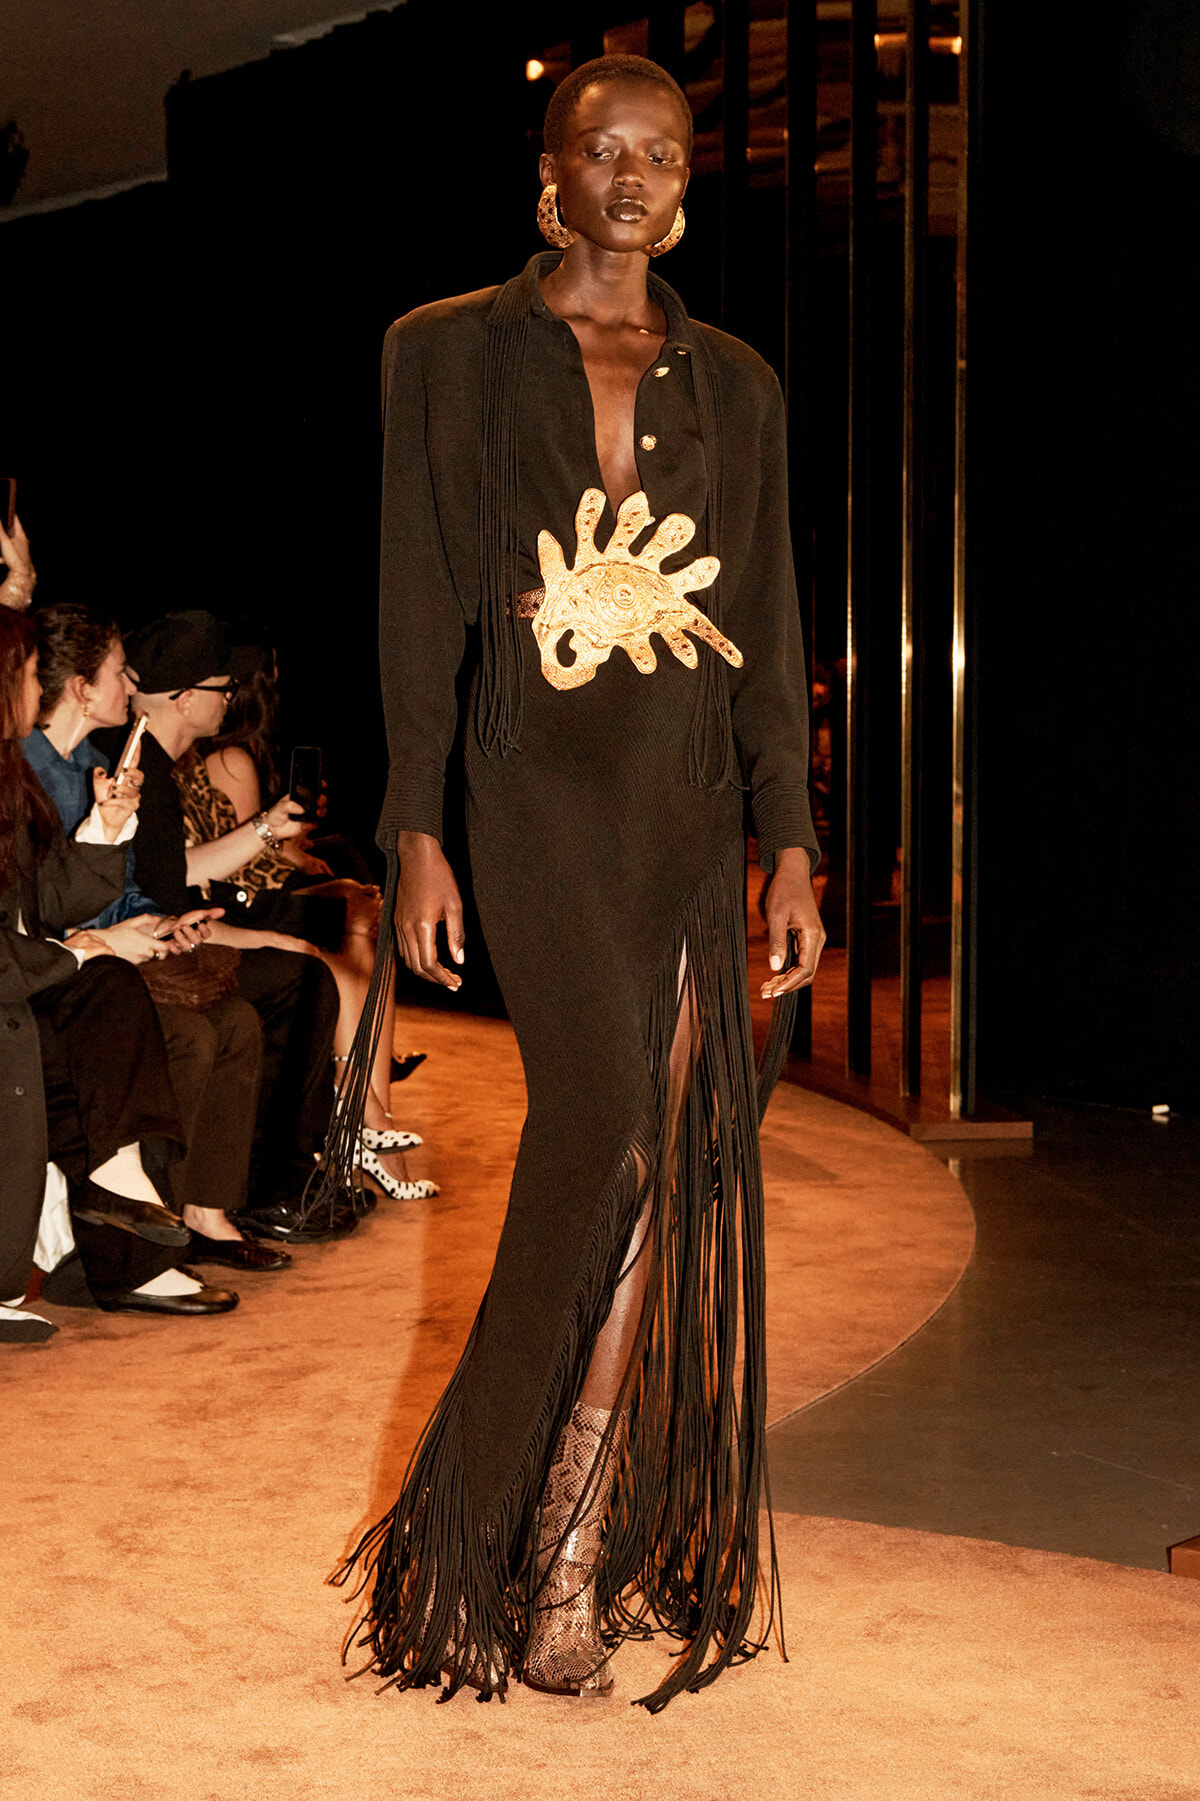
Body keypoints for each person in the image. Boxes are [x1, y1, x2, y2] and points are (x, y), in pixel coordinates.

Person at [336, 56, 825, 1711]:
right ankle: (462, 1532)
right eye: (600, 148)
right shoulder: (447, 356)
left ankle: (565, 1545)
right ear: (549, 168)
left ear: (689, 177)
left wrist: (795, 837)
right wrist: (415, 819)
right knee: (601, 1119)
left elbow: (764, 632)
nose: (630, 175)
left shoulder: (736, 386)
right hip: (534, 800)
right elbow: (423, 606)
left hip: (685, 814)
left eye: (660, 152)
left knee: (656, 1171)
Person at [26, 602, 288, 1275]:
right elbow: (44, 909)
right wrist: (116, 936)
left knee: (234, 1021)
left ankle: (200, 1213)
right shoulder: (32, 772)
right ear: (84, 687)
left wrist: (157, 923)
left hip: (92, 964)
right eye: (121, 672)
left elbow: (121, 886)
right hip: (60, 977)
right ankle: (143, 1243)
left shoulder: (94, 763)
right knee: (192, 1031)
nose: (131, 684)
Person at [0, 608, 236, 1340]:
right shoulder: (29, 767)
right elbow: (37, 929)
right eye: (25, 674)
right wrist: (93, 947)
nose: (131, 687)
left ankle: (125, 1209)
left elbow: (40, 900)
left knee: (137, 1000)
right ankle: (125, 1211)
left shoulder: (46, 769)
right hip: (26, 987)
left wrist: (106, 830)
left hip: (37, 977)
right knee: (134, 1006)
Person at [97, 611, 355, 1245]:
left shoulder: (154, 765)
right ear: (187, 700)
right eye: (221, 687)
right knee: (298, 979)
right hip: (135, 953)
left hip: (162, 935)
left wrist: (269, 827)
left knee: (298, 966)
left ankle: (268, 1183)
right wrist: (261, 936)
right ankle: (276, 1185)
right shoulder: (141, 772)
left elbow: (176, 876)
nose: (232, 698)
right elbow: (159, 906)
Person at [173, 630, 433, 1201]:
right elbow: (251, 862)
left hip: (242, 896)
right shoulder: (231, 757)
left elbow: (258, 846)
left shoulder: (222, 756)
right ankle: (362, 1102)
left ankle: (368, 1102)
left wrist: (300, 841)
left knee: (364, 911)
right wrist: (299, 850)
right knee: (354, 921)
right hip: (240, 902)